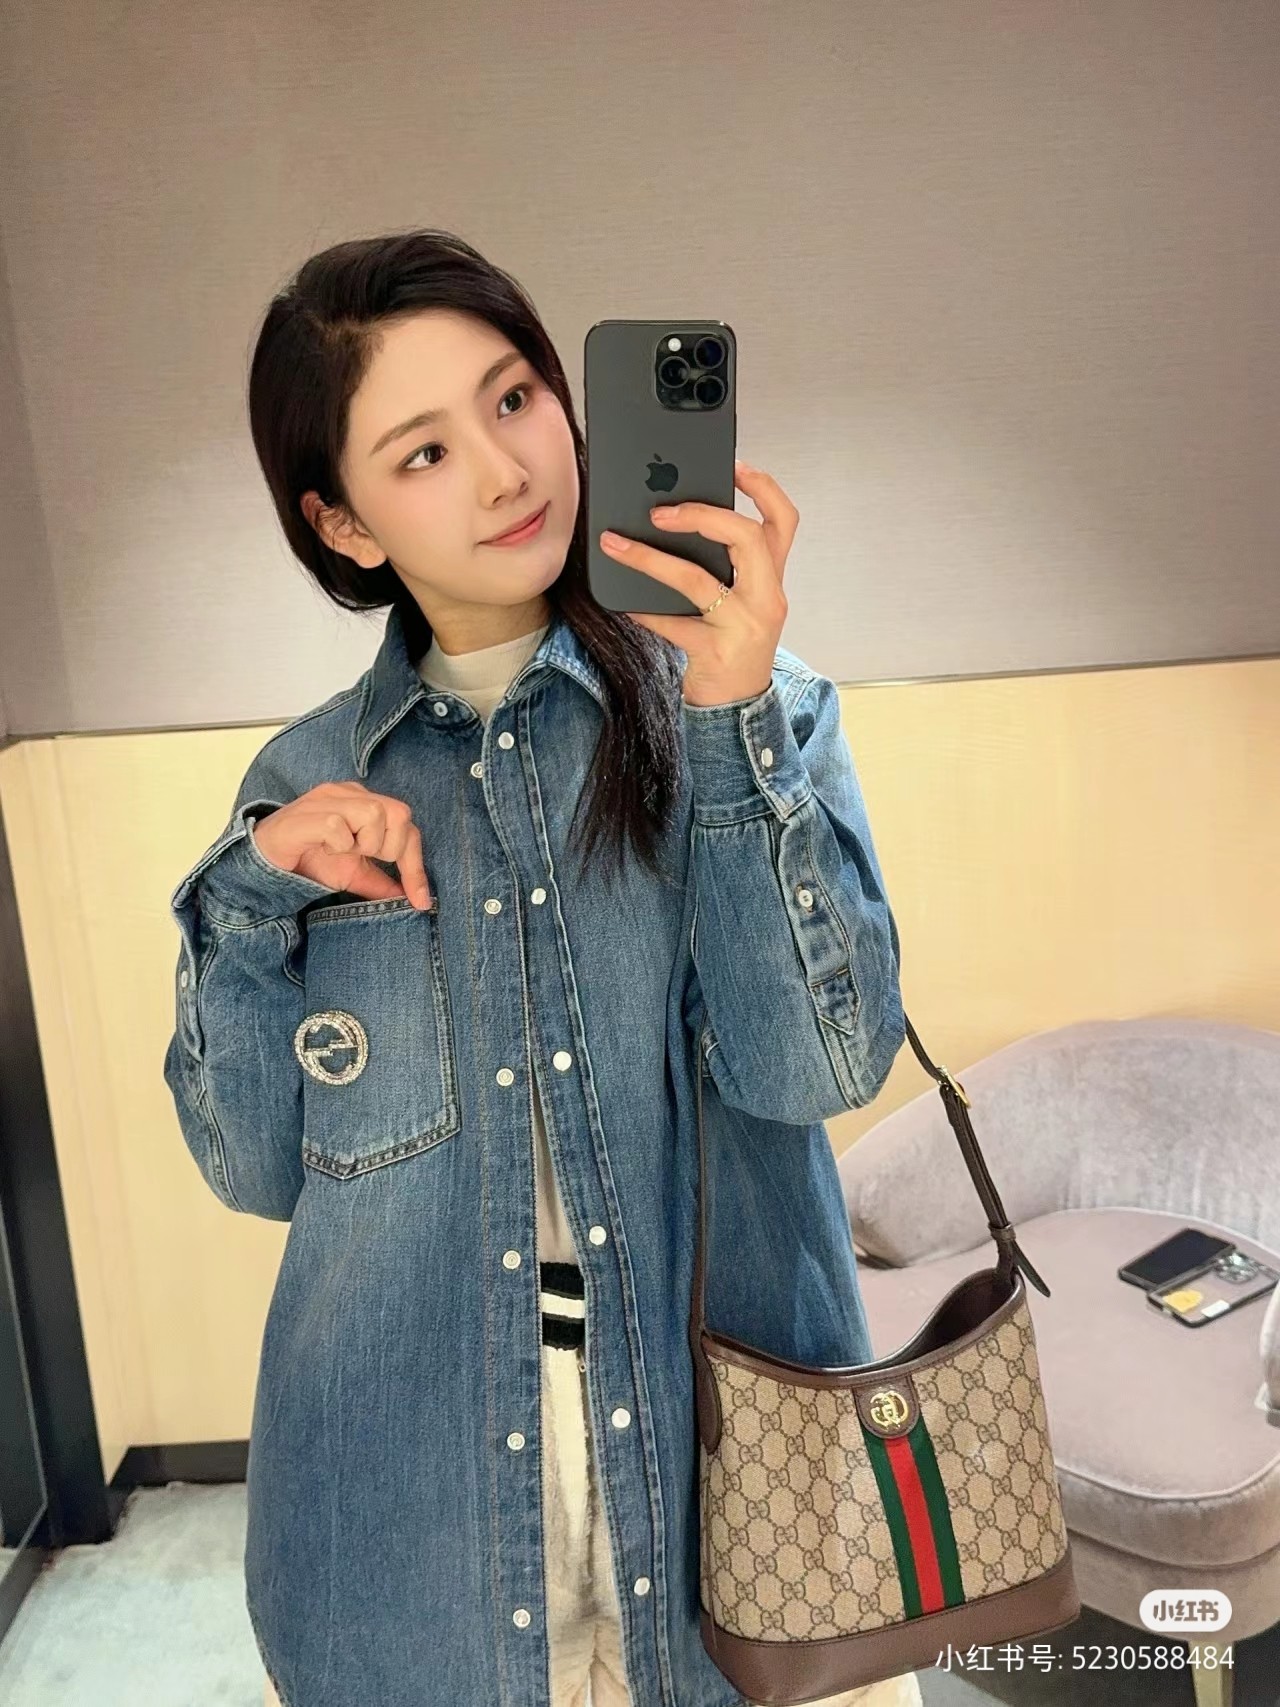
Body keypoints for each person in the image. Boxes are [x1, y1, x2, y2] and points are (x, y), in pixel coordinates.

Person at [164, 228, 920, 1707]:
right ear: (347, 525)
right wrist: (250, 897)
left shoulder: (756, 710)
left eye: (515, 399)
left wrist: (732, 723)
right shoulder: (310, 789)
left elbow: (816, 1068)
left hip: (738, 1477)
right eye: (425, 452)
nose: (506, 472)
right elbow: (254, 1168)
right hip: (409, 1504)